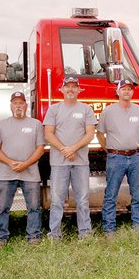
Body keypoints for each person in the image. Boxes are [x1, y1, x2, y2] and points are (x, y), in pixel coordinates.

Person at [43, 76, 97, 240]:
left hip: (80, 162)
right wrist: (64, 150)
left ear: (79, 90)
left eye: (74, 87)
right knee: (57, 200)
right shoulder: (54, 109)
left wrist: (73, 148)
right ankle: (54, 235)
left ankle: (85, 234)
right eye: (68, 86)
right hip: (59, 163)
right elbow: (48, 133)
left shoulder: (86, 109)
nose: (71, 89)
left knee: (82, 200)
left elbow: (90, 134)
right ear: (61, 89)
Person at [0, 91, 45, 248]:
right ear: (10, 105)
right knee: (2, 208)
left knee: (34, 207)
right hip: (6, 172)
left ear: (26, 105)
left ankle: (34, 236)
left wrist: (26, 164)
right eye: (15, 103)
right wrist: (10, 162)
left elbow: (40, 149)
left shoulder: (36, 124)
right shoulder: (1, 125)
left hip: (30, 172)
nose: (18, 106)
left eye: (21, 103)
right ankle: (0, 238)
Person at [97, 79, 139, 234]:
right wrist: (109, 149)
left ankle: (138, 226)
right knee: (111, 194)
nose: (127, 91)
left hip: (135, 157)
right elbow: (100, 133)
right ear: (118, 92)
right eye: (124, 89)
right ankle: (109, 229)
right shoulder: (108, 111)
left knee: (138, 194)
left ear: (132, 92)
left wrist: (133, 141)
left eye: (129, 89)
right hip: (116, 158)